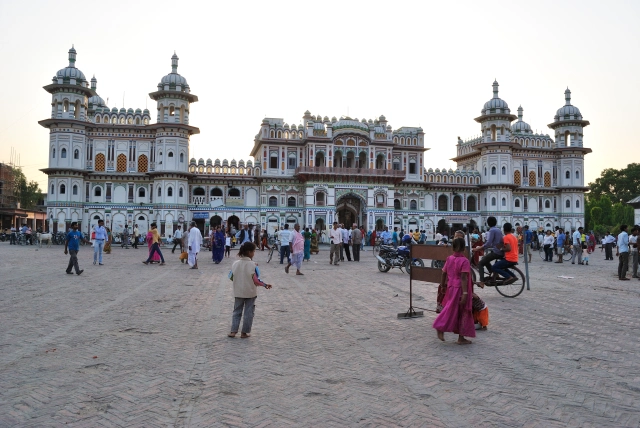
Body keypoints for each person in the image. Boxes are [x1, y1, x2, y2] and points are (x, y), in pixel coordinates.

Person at [432, 238, 475, 345]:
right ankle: (440, 326)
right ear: (463, 248)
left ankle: (461, 337)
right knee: (457, 310)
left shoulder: (449, 258)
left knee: (454, 309)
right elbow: (464, 278)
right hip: (460, 289)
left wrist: (443, 285)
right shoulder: (464, 261)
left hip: (451, 287)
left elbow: (443, 273)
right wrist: (465, 293)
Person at [228, 242, 272, 338]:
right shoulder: (253, 265)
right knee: (249, 312)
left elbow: (230, 277)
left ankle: (233, 331)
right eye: (254, 251)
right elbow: (256, 280)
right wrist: (265, 285)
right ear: (249, 252)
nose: (254, 253)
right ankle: (244, 332)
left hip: (238, 291)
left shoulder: (235, 264)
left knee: (236, 311)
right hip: (250, 292)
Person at [473, 216, 503, 288]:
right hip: (500, 250)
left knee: (480, 263)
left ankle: (482, 281)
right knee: (485, 258)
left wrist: (479, 248)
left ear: (488, 223)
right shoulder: (498, 230)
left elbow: (489, 243)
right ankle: (494, 273)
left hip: (496, 252)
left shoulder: (491, 230)